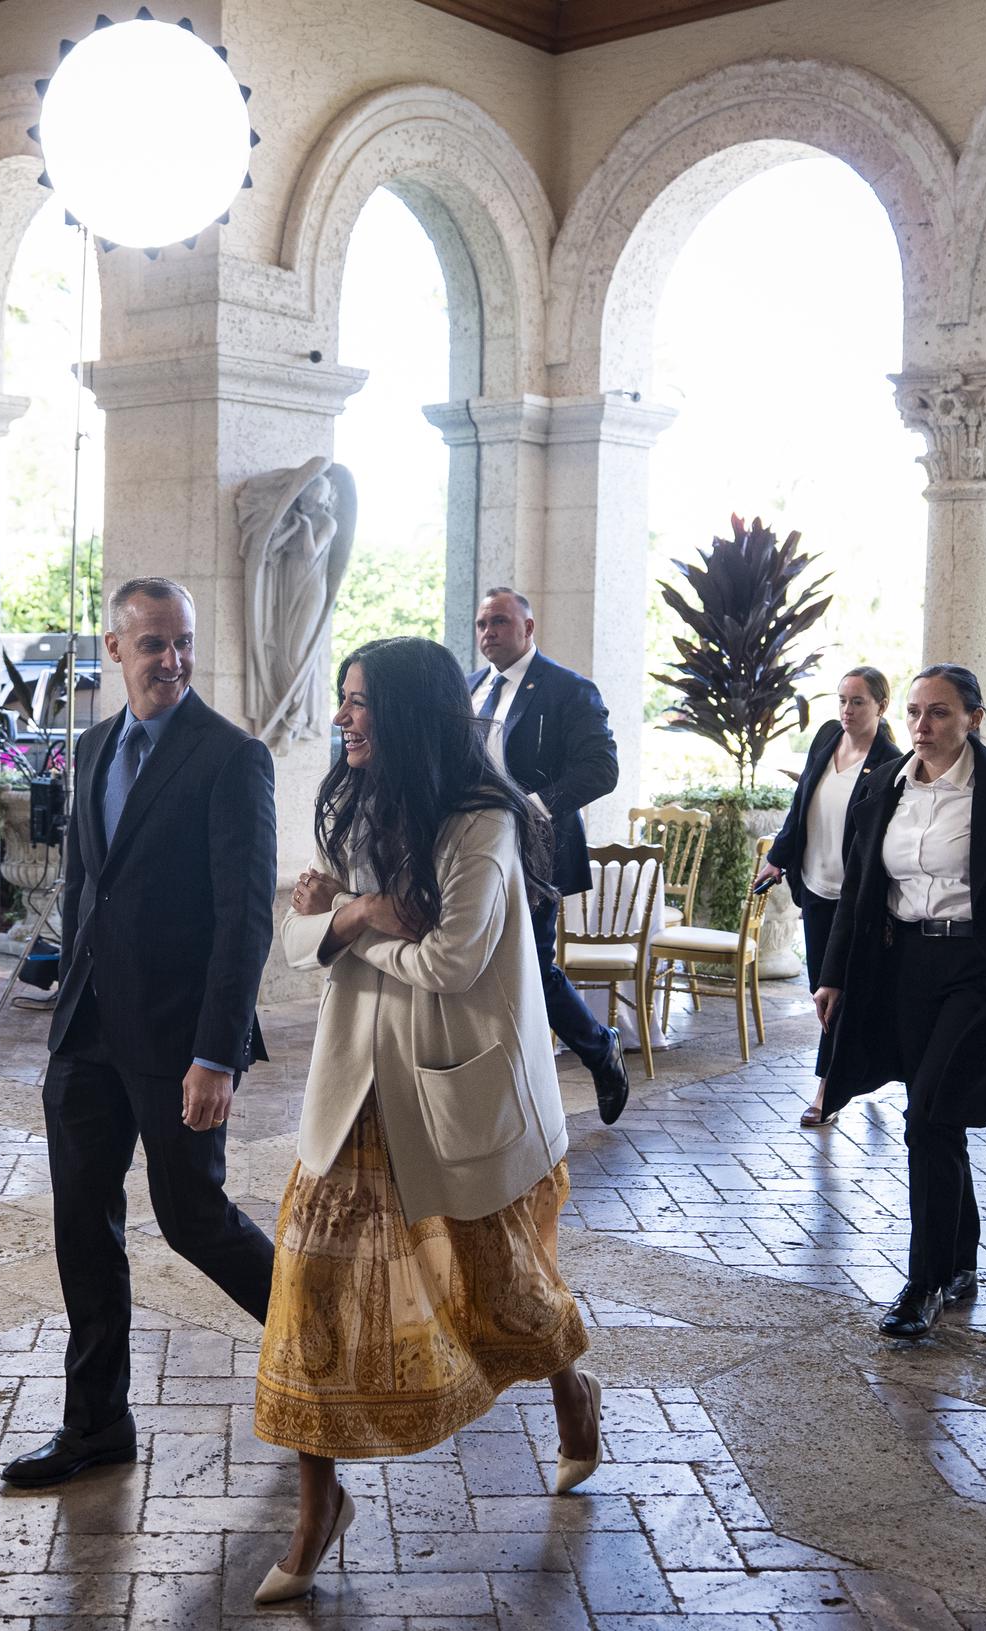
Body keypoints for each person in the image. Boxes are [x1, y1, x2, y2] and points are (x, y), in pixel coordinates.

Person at [256, 636, 596, 1604]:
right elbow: (298, 934)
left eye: (360, 700)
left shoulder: (482, 820)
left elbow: (451, 962)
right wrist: (360, 916)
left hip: (451, 1090)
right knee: (309, 1292)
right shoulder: (354, 801)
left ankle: (573, 1388)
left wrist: (348, 924)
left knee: (503, 1285)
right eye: (343, 698)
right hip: (350, 1091)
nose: (344, 716)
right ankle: (319, 1508)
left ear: (407, 712)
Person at [3, 577, 279, 1490]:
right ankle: (96, 1426)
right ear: (116, 649)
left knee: (196, 1220)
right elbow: (86, 885)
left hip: (176, 1041)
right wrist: (63, 993)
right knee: (83, 1227)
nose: (172, 659)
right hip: (87, 1033)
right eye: (154, 642)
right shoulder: (91, 747)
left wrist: (217, 1053)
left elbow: (244, 921)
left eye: (183, 641)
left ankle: (325, 1350)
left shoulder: (231, 757)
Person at [815, 666, 986, 1341]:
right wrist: (833, 975)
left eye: (938, 712)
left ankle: (925, 1281)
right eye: (914, 712)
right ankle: (961, 1260)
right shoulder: (884, 783)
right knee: (939, 1119)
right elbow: (859, 890)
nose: (922, 725)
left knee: (929, 1114)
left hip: (983, 970)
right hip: (904, 967)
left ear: (973, 718)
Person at [468, 586, 630, 1122]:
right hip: (472, 852)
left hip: (537, 852)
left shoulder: (568, 690)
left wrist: (531, 806)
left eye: (499, 622)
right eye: (482, 624)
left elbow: (601, 769)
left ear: (528, 627)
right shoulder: (469, 688)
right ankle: (497, 1081)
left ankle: (599, 1049)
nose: (488, 632)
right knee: (473, 967)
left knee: (533, 970)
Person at [758, 666, 901, 1125]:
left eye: (858, 701)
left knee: (839, 994)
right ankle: (864, 1071)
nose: (847, 710)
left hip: (856, 899)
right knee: (823, 988)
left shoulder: (891, 761)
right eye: (842, 700)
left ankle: (827, 1090)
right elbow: (801, 803)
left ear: (881, 706)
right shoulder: (826, 738)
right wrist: (778, 858)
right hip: (816, 889)